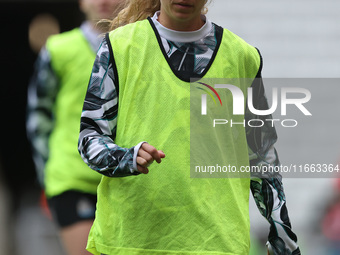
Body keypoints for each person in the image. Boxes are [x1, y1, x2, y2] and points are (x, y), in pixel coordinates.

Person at [78, 0, 301, 254]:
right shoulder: (118, 46)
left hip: (218, 243)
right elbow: (89, 137)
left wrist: (282, 235)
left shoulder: (243, 57)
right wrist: (126, 157)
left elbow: (262, 158)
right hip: (131, 241)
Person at [26, 1, 125, 254]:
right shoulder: (58, 49)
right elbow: (39, 116)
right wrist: (48, 176)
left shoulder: (137, 47)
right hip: (72, 179)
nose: (103, 1)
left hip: (126, 178)